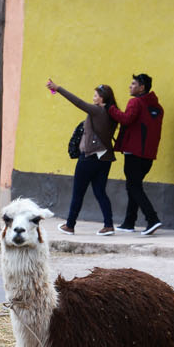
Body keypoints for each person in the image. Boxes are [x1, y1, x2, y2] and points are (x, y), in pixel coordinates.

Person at [46, 80, 118, 236]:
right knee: (100, 192)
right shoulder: (112, 113)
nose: (93, 97)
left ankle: (70, 225)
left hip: (89, 158)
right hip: (105, 158)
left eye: (96, 95)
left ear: (102, 98)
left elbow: (77, 102)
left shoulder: (97, 111)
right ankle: (108, 225)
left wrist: (58, 88)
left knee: (78, 193)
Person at [109, 73, 164, 235]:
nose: (130, 86)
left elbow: (126, 119)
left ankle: (152, 219)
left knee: (133, 186)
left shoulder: (136, 102)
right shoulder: (157, 107)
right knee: (134, 186)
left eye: (133, 84)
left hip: (134, 152)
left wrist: (110, 108)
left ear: (142, 87)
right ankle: (129, 222)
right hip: (148, 155)